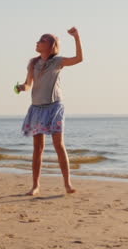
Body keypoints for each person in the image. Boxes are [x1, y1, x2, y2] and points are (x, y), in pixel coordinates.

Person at [15, 27, 84, 196]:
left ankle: (67, 184)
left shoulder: (57, 61)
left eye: (42, 40)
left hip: (54, 107)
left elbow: (79, 59)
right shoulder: (33, 63)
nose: (38, 42)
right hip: (37, 108)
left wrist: (76, 37)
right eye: (39, 40)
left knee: (59, 145)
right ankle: (35, 186)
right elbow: (29, 84)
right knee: (38, 148)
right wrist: (22, 87)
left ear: (51, 45)